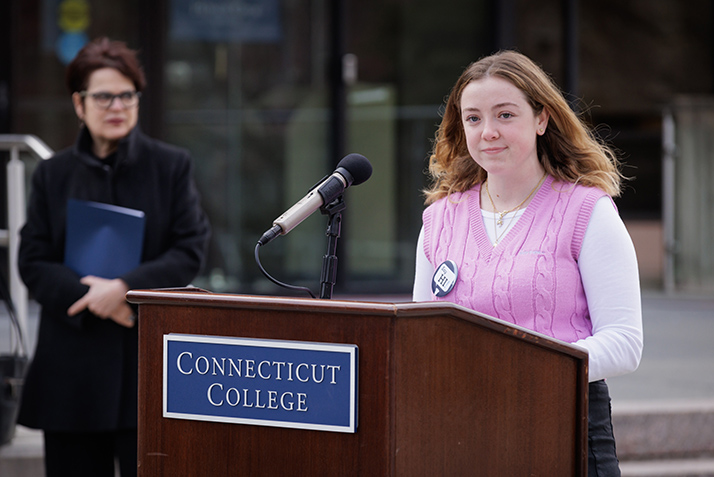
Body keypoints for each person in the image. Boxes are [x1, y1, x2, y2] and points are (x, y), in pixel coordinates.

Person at [412, 50, 643, 475]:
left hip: (562, 426)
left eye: (505, 115)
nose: (488, 132)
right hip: (464, 430)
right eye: (474, 118)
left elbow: (625, 343)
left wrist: (520, 365)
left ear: (541, 119)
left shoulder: (587, 210)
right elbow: (426, 340)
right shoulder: (438, 220)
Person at [17, 37, 211, 477]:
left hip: (146, 362)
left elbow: (190, 248)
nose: (116, 105)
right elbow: (32, 259)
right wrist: (93, 298)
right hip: (71, 367)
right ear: (79, 103)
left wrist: (125, 290)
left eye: (127, 95)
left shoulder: (171, 165)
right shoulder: (53, 173)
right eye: (103, 96)